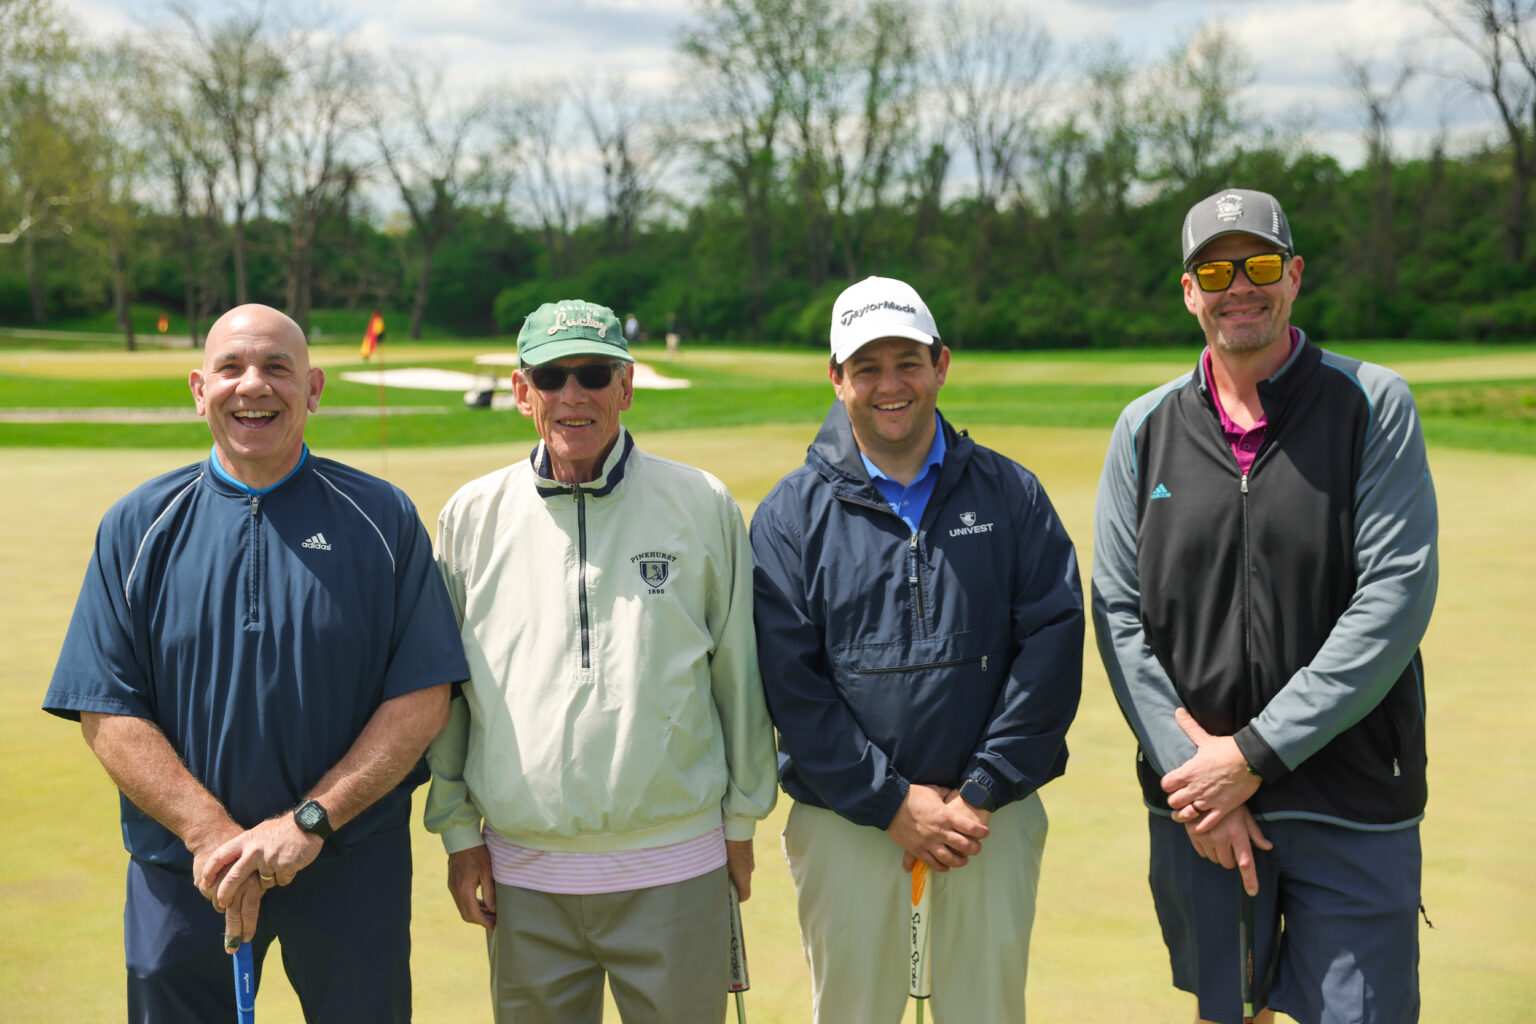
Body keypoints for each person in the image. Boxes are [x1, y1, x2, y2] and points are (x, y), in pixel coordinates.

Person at [43, 303, 468, 1023]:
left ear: (314, 389)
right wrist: (210, 834)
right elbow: (106, 709)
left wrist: (306, 824)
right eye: (231, 367)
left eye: (277, 367)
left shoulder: (383, 517)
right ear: (199, 389)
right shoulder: (136, 525)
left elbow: (423, 697)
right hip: (185, 869)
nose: (253, 386)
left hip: (346, 863)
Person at [1092, 188, 1438, 1024]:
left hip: (1348, 798)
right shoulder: (1143, 427)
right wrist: (1199, 775)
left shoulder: (1372, 403)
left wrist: (1251, 755)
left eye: (1258, 265)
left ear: (1295, 276)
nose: (1238, 286)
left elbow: (1393, 598)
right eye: (1215, 271)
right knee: (1226, 1013)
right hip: (1202, 810)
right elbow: (1117, 611)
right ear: (1189, 291)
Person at [425, 298, 778, 1023]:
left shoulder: (701, 502)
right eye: (551, 376)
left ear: (626, 385)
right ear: (521, 392)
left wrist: (742, 825)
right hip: (524, 878)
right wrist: (458, 832)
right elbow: (450, 696)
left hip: (677, 865)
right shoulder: (470, 516)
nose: (573, 394)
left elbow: (738, 677)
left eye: (593, 373)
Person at [750, 275, 1085, 1023]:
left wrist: (982, 787)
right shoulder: (788, 517)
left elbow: (1053, 646)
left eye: (908, 362)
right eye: (866, 367)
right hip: (846, 819)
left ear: (941, 364)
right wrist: (893, 803)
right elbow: (793, 688)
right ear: (836, 378)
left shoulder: (1011, 494)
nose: (890, 385)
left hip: (988, 818)